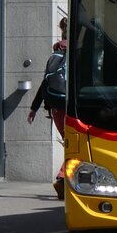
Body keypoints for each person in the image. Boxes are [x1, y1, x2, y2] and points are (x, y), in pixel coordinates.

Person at [28, 15, 69, 198]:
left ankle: (64, 182)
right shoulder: (77, 52)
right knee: (77, 146)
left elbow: (45, 83)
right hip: (72, 108)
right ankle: (62, 179)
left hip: (56, 108)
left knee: (69, 144)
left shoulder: (54, 55)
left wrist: (34, 108)